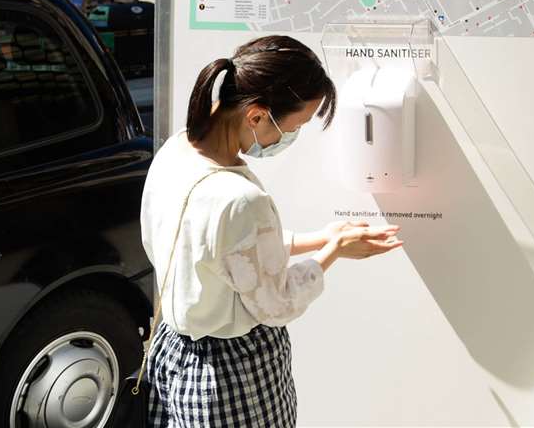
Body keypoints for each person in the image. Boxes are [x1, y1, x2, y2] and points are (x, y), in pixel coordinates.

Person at [141, 36, 402, 427]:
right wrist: (332, 252)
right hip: (233, 373)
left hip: (176, 356)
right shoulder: (238, 198)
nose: (290, 138)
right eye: (294, 126)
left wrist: (325, 236)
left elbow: (227, 254)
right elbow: (275, 303)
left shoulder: (177, 151)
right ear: (257, 116)